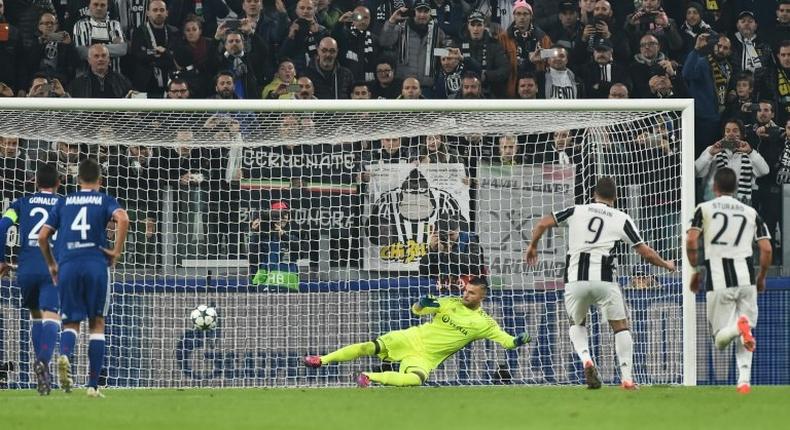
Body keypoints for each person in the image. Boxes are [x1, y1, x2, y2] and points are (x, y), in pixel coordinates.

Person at [525, 176, 675, 390]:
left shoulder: (576, 210)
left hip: (575, 279)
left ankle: (586, 359)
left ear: (593, 194)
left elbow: (542, 223)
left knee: (577, 323)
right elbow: (646, 253)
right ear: (615, 197)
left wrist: (533, 246)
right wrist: (666, 265)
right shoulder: (621, 218)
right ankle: (627, 379)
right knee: (621, 326)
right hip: (604, 280)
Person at [303, 276, 531, 387]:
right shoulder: (449, 301)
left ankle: (368, 377)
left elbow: (507, 342)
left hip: (426, 357)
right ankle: (320, 360)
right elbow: (416, 311)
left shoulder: (485, 323)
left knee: (415, 379)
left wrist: (519, 340)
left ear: (482, 296)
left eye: (472, 293)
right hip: (412, 337)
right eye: (466, 290)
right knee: (368, 347)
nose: (466, 295)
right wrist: (423, 303)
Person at [38, 158, 129, 397]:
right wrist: (116, 251)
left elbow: (43, 236)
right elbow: (123, 218)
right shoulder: (104, 199)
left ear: (78, 180)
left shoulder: (64, 202)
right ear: (100, 180)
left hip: (68, 264)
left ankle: (65, 356)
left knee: (70, 322)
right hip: (95, 263)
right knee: (97, 322)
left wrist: (52, 265)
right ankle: (92, 386)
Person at [686, 167, 772, 394]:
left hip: (718, 279)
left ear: (714, 187)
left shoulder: (704, 208)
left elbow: (692, 241)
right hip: (746, 279)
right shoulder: (750, 211)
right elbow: (766, 248)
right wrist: (761, 277)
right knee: (747, 332)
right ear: (735, 188)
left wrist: (695, 270)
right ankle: (744, 381)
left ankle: (738, 327)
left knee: (720, 340)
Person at [0, 163, 63, 395]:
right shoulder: (63, 204)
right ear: (59, 182)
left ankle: (41, 367)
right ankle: (44, 363)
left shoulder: (20, 203)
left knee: (36, 316)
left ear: (35, 182)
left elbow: (2, 226)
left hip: (26, 269)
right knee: (52, 318)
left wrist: (1, 259)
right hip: (51, 267)